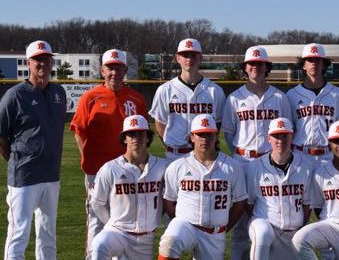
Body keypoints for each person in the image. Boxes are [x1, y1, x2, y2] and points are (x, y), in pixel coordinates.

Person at [0, 40, 67, 260]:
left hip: (51, 176)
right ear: (28, 62)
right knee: (18, 233)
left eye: (46, 59)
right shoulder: (15, 95)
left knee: (48, 234)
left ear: (51, 62)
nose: (42, 63)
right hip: (24, 177)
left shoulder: (59, 92)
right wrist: (16, 161)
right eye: (37, 59)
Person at [70, 48, 148, 254]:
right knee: (96, 218)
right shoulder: (90, 97)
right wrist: (87, 159)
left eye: (118, 68)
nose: (114, 73)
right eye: (110, 68)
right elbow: (79, 132)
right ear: (102, 70)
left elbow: (143, 136)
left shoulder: (136, 98)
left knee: (126, 218)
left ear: (125, 71)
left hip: (128, 170)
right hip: (97, 169)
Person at [221, 45, 291, 259]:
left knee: (270, 213)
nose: (255, 67)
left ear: (267, 67)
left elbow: (287, 130)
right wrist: (242, 152)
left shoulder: (279, 97)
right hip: (243, 160)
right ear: (245, 67)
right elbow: (229, 133)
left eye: (260, 64)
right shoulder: (234, 98)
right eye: (251, 63)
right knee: (241, 218)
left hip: (270, 162)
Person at [158, 114, 248, 260]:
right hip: (186, 225)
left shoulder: (232, 166)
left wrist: (224, 227)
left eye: (209, 134)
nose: (205, 139)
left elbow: (240, 202)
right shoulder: (177, 166)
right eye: (200, 134)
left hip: (214, 234)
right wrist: (180, 220)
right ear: (192, 137)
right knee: (169, 243)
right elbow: (169, 200)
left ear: (216, 136)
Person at [87, 115, 169, 260]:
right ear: (124, 138)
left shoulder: (162, 167)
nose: (136, 138)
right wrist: (111, 223)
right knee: (99, 245)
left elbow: (170, 198)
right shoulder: (110, 168)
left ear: (148, 137)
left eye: (140, 133)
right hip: (117, 232)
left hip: (145, 238)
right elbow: (97, 203)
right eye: (131, 134)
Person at [292, 121, 339, 259]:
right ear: (329, 144)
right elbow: (318, 208)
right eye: (336, 141)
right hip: (329, 226)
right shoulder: (320, 173)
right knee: (299, 240)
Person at [245, 118, 317, 260]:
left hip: (294, 230)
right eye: (276, 136)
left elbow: (307, 204)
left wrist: (298, 225)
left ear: (292, 137)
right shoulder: (255, 166)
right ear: (269, 139)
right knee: (261, 234)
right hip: (266, 224)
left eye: (285, 136)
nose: (280, 140)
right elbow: (249, 204)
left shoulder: (306, 166)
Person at [149, 38, 226, 160]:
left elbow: (218, 124)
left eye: (193, 55)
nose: (189, 59)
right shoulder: (165, 90)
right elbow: (160, 123)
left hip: (204, 155)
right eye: (185, 55)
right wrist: (170, 145)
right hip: (174, 156)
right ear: (178, 58)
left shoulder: (215, 91)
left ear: (201, 58)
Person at [288, 43, 339, 163]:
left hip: (329, 155)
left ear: (324, 65)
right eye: (310, 60)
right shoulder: (291, 95)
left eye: (318, 60)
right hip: (300, 154)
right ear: (303, 65)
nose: (313, 63)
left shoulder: (337, 94)